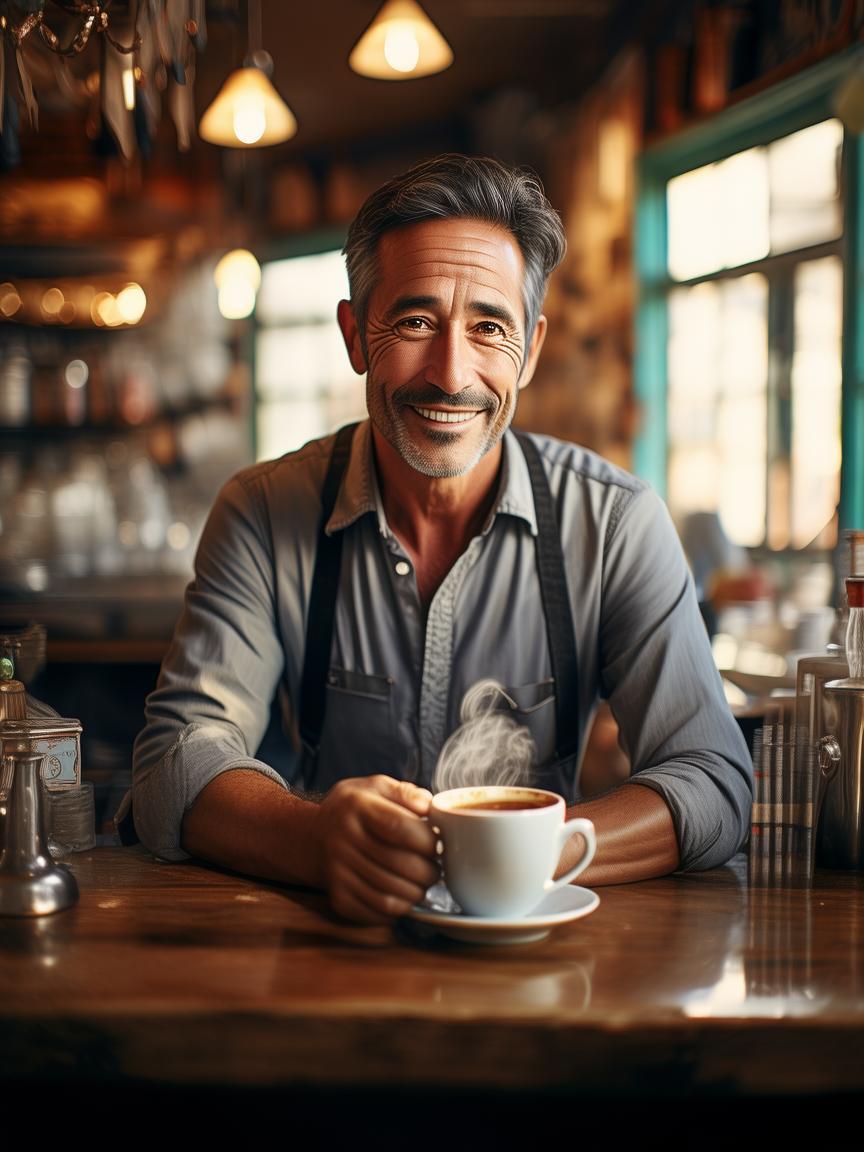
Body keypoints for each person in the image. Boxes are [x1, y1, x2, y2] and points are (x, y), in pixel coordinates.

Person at [129, 153, 753, 925]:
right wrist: (315, 836)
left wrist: (519, 854)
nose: (451, 373)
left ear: (529, 347)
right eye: (416, 321)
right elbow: (175, 764)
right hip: (330, 952)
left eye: (489, 327)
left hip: (546, 965)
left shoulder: (616, 523)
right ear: (358, 336)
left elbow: (715, 782)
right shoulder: (262, 511)